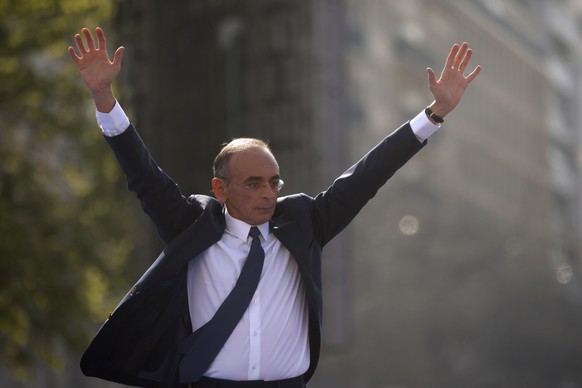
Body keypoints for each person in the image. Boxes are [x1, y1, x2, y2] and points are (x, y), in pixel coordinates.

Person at [69, 27, 480, 388]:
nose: (269, 193)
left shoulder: (305, 223)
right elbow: (143, 174)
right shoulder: (189, 223)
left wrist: (435, 113)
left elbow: (368, 175)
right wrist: (104, 97)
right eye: (253, 183)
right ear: (221, 188)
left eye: (273, 182)